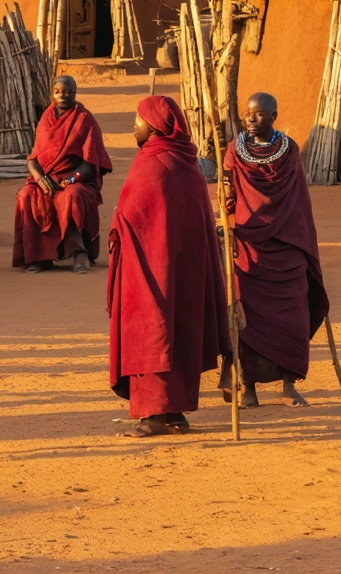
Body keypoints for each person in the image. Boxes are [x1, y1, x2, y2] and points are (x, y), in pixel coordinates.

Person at [108, 96, 230, 437]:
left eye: (138, 121)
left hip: (150, 271)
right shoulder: (187, 164)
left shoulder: (153, 162)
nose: (133, 126)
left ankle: (154, 416)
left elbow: (135, 215)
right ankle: (175, 413)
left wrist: (118, 227)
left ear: (155, 127)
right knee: (177, 332)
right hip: (182, 271)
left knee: (154, 333)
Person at [220, 92, 329, 408]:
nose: (250, 119)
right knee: (247, 321)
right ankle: (248, 388)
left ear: (273, 116)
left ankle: (288, 385)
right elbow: (228, 198)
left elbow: (299, 199)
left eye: (258, 114)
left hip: (286, 246)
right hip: (249, 249)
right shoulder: (234, 152)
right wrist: (225, 218)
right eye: (247, 114)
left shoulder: (290, 150)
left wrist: (303, 239)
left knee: (293, 315)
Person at [14, 75, 112, 274]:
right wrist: (40, 178)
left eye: (68, 91)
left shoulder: (84, 119)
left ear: (75, 93)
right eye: (58, 91)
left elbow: (90, 162)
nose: (63, 95)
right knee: (26, 195)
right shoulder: (46, 118)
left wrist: (72, 178)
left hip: (76, 178)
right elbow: (32, 159)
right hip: (45, 178)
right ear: (52, 93)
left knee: (71, 196)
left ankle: (79, 252)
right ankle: (37, 256)